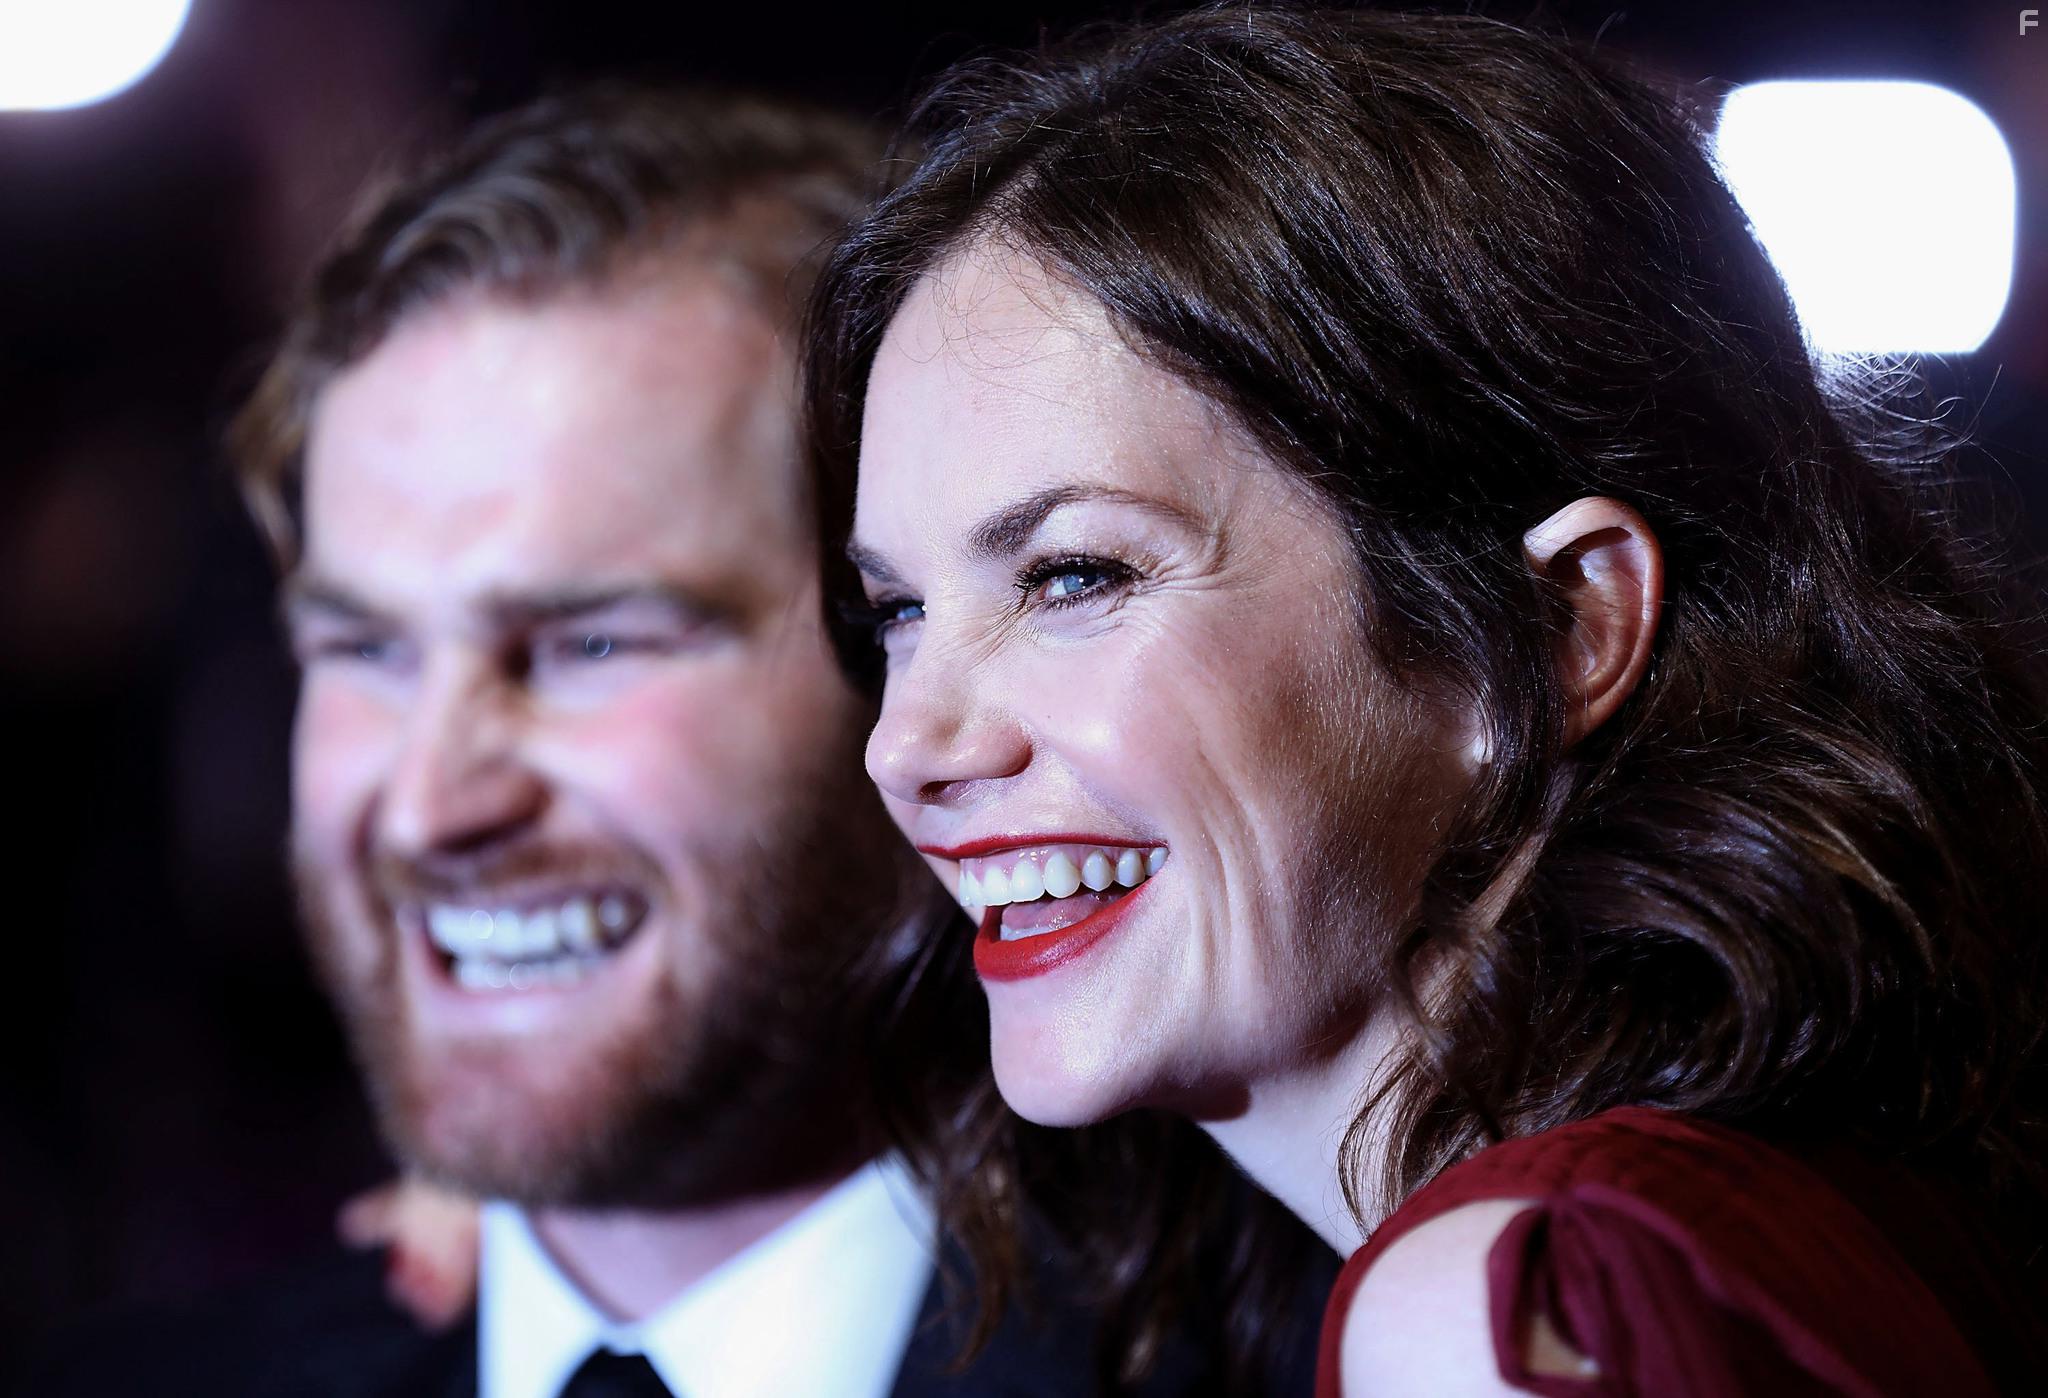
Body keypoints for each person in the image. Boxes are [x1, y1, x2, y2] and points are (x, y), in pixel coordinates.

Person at [806, 7, 2048, 1394]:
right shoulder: (1820, 1211)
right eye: (899, 611)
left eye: (1074, 575)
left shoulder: (1504, 1310)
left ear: (1556, 627)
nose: (906, 744)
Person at [22, 86, 1324, 1398]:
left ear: (902, 653)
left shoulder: (1379, 1344)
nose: (429, 804)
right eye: (366, 649)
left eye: (596, 643)